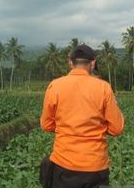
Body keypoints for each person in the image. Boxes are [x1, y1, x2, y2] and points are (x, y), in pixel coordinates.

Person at [40, 44, 124, 188]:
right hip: (95, 167)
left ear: (71, 63)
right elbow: (116, 129)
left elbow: (46, 125)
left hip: (63, 164)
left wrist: (68, 128)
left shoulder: (55, 86)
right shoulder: (103, 88)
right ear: (93, 63)